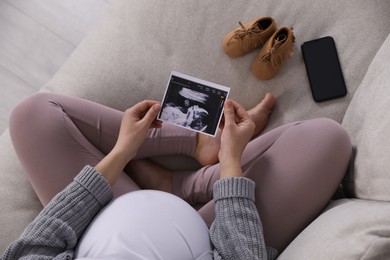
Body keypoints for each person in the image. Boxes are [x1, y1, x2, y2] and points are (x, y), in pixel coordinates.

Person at [1, 92, 352, 259]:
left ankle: (196, 143)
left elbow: (38, 244)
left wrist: (123, 151)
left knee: (32, 114)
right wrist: (231, 163)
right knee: (327, 139)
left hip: (103, 214)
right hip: (210, 234)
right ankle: (186, 184)